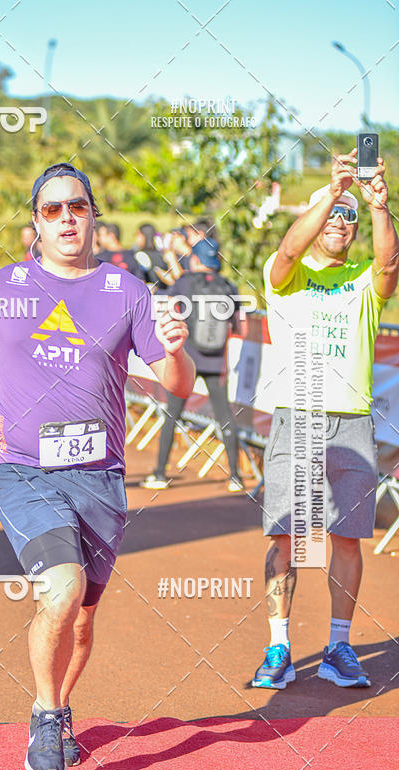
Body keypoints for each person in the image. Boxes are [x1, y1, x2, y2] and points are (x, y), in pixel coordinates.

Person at [0, 162, 194, 770]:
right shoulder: (3, 285)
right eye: (52, 210)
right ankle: (45, 714)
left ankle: (60, 706)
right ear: (35, 225)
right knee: (62, 589)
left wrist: (175, 352)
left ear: (93, 216)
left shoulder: (128, 293)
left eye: (78, 207)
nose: (67, 218)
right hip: (23, 469)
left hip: (100, 474)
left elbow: (176, 386)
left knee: (85, 617)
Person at [253, 148, 398, 690]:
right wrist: (334, 191)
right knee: (286, 535)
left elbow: (388, 267)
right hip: (298, 416)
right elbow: (291, 246)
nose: (340, 222)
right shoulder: (284, 275)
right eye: (332, 214)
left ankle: (339, 645)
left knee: (347, 538)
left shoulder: (363, 278)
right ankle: (279, 646)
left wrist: (378, 206)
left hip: (352, 422)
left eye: (348, 218)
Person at [141, 240, 243, 492]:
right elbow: (239, 325)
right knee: (225, 416)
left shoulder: (185, 282)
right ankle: (236, 477)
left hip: (187, 361)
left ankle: (159, 474)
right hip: (217, 360)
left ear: (196, 260)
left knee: (171, 415)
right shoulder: (228, 286)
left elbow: (169, 306)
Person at [133, 223, 165, 288]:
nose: (136, 238)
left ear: (144, 236)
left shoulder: (140, 255)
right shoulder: (160, 254)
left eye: (138, 235)